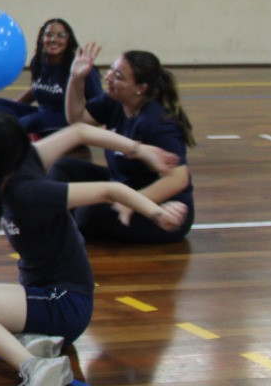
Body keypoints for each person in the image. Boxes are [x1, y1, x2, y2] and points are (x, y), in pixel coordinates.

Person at [0, 113, 187, 386]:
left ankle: (35, 366)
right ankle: (32, 340)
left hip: (64, 302)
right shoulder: (24, 162)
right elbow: (80, 131)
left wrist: (157, 214)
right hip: (43, 297)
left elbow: (109, 190)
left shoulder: (28, 191)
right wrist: (140, 150)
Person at [56, 43, 196, 243]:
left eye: (119, 76)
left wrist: (130, 203)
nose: (109, 77)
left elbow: (178, 179)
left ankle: (70, 225)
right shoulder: (115, 101)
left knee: (89, 214)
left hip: (164, 209)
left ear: (140, 89)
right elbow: (77, 119)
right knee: (64, 168)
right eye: (112, 69)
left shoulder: (156, 121)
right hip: (123, 187)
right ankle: (64, 225)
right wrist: (76, 79)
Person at [0, 17, 101, 136]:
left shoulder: (80, 68)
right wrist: (14, 109)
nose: (54, 39)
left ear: (69, 40)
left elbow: (100, 103)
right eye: (49, 35)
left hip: (67, 119)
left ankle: (8, 131)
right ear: (42, 39)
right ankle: (12, 129)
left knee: (31, 122)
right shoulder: (38, 62)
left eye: (61, 35)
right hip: (42, 114)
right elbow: (36, 88)